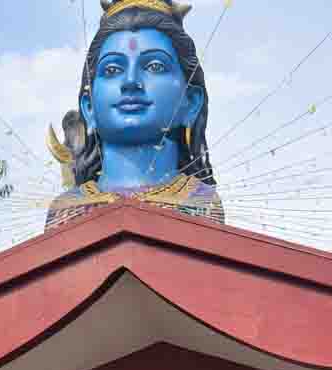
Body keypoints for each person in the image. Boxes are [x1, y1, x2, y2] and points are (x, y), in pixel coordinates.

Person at [46, 0, 224, 230]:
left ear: (190, 103)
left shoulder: (199, 203)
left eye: (155, 66)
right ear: (89, 107)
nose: (130, 82)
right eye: (112, 70)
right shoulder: (68, 209)